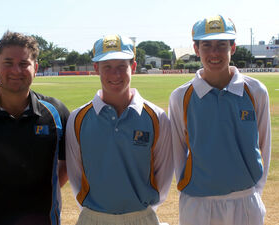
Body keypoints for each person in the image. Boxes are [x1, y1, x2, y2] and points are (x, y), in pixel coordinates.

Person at [169, 15, 271, 225]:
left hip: (245, 201)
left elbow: (264, 146)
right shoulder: (181, 97)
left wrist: (254, 192)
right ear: (196, 49)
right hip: (198, 205)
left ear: (232, 47)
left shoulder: (255, 91)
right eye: (206, 45)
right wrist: (192, 190)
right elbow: (177, 153)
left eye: (221, 45)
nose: (214, 53)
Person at [66, 34, 173, 225]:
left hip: (142, 217)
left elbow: (163, 177)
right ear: (96, 68)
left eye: (121, 67)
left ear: (132, 67)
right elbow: (75, 175)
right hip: (93, 218)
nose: (115, 75)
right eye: (107, 67)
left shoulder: (156, 117)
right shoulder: (78, 118)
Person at [0, 31, 69, 225]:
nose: (16, 71)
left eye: (24, 64)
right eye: (8, 63)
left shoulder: (56, 112)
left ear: (35, 68)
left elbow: (68, 163)